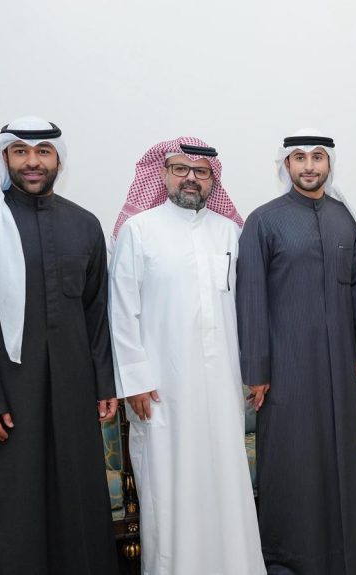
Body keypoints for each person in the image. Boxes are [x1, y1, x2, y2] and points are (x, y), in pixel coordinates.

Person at [0, 116, 119, 574]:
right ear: (4, 158)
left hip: (73, 394)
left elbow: (97, 312)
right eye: (20, 151)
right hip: (6, 400)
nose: (32, 162)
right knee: (10, 510)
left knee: (77, 505)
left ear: (59, 160)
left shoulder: (84, 225)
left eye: (42, 152)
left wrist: (103, 383)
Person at [108, 137, 263, 575]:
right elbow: (122, 311)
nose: (190, 178)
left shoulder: (230, 232)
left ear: (213, 179)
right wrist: (135, 381)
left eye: (201, 171)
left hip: (222, 385)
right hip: (161, 390)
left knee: (225, 479)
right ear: (163, 174)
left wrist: (252, 370)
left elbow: (246, 307)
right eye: (180, 169)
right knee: (169, 485)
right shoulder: (138, 230)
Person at [236, 130, 356, 575]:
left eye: (318, 157)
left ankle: (348, 556)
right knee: (292, 458)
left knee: (342, 455)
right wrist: (256, 370)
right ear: (286, 165)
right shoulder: (264, 221)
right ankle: (290, 559)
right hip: (287, 365)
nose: (309, 166)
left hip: (340, 364)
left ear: (329, 164)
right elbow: (250, 298)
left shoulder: (344, 218)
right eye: (300, 158)